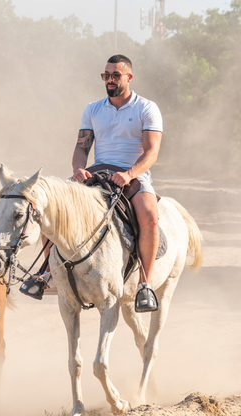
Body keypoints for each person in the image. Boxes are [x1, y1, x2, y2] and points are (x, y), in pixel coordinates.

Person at [72, 54, 162, 312]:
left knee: (149, 217)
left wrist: (130, 173)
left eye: (115, 76)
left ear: (129, 77)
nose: (109, 80)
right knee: (51, 204)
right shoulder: (93, 108)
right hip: (97, 171)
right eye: (106, 76)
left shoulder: (146, 108)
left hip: (133, 175)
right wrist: (78, 169)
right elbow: (81, 148)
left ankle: (145, 285)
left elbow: (151, 153)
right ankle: (45, 275)